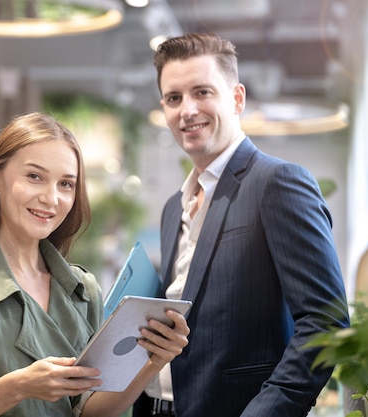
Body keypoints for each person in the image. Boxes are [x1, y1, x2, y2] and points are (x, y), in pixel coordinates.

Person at [0, 112, 190, 417]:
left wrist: (153, 360)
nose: (51, 198)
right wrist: (17, 387)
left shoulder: (81, 291)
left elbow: (87, 410)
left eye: (65, 184)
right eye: (34, 177)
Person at [133, 33, 350, 417]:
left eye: (202, 92)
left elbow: (325, 322)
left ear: (237, 98)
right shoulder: (173, 207)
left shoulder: (277, 183)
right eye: (173, 98)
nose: (187, 110)